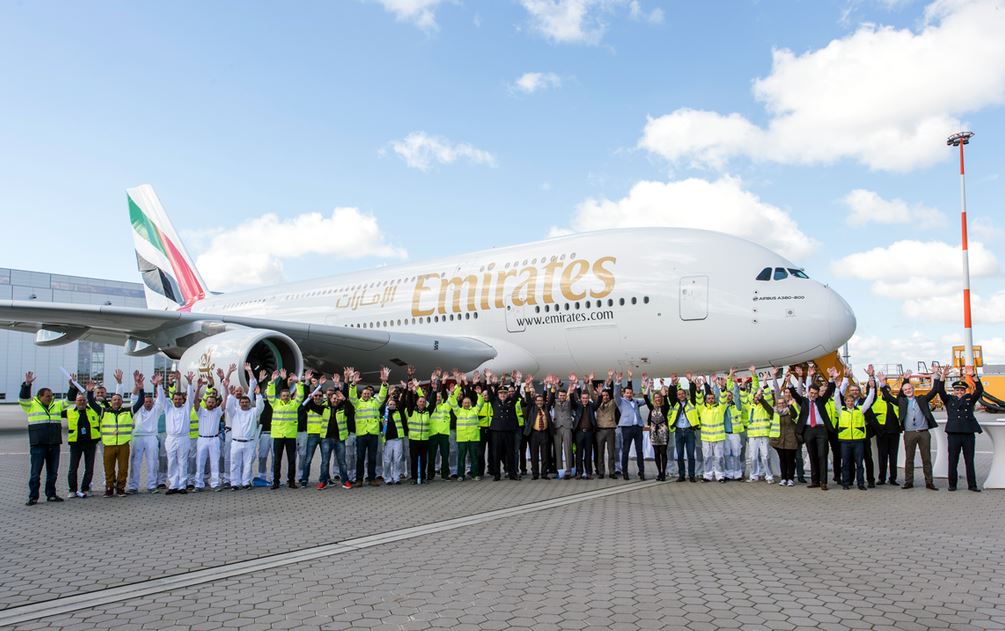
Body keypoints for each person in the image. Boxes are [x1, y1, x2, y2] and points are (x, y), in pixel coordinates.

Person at [19, 371, 74, 505]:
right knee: (35, 473)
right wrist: (27, 385)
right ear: (40, 396)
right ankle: (33, 496)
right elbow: (23, 398)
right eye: (47, 396)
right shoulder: (31, 405)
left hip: (54, 444)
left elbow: (69, 401)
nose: (50, 398)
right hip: (38, 444)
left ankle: (51, 494)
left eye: (51, 396)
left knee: (53, 472)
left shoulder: (57, 405)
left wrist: (72, 387)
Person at [880, 369, 940, 490]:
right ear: (903, 392)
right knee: (909, 459)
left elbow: (934, 391)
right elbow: (887, 396)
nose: (908, 391)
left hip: (923, 432)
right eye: (905, 390)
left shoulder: (922, 399)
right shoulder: (901, 402)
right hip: (909, 433)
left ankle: (929, 482)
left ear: (913, 389)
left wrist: (936, 376)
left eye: (910, 389)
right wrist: (882, 383)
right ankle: (909, 482)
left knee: (926, 458)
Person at [936, 365, 985, 492]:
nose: (959, 392)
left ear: (965, 391)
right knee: (952, 460)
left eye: (962, 390)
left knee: (969, 460)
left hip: (968, 433)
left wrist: (974, 376)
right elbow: (940, 390)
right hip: (953, 434)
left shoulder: (969, 399)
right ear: (953, 391)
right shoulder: (949, 399)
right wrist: (943, 376)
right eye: (957, 390)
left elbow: (979, 390)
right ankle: (952, 485)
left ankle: (972, 485)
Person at [789, 365, 837, 490]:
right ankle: (815, 481)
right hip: (808, 430)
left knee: (822, 455)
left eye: (815, 394)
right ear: (808, 392)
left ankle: (823, 482)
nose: (813, 395)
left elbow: (829, 390)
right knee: (812, 455)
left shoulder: (821, 401)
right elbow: (794, 394)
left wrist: (831, 377)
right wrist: (789, 382)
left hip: (821, 430)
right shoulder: (804, 401)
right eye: (811, 393)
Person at [834, 371, 876, 490]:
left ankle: (861, 483)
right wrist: (837, 389)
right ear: (845, 402)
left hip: (858, 440)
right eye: (848, 401)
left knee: (859, 464)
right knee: (846, 463)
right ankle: (846, 483)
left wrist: (872, 389)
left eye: (851, 401)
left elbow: (869, 400)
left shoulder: (860, 410)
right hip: (845, 441)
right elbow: (836, 399)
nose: (850, 403)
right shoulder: (841, 410)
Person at [349, 366, 389, 486]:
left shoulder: (375, 403)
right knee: (360, 458)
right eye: (364, 393)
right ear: (361, 394)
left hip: (372, 434)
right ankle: (359, 479)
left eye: (368, 393)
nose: (366, 394)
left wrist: (384, 383)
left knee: (372, 458)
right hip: (361, 434)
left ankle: (372, 479)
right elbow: (351, 396)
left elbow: (382, 396)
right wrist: (353, 384)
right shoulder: (357, 403)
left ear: (371, 394)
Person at [192, 368, 231, 492]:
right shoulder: (201, 411)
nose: (210, 403)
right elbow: (195, 402)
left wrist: (225, 388)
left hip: (214, 440)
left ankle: (215, 484)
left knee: (215, 462)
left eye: (212, 402)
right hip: (202, 439)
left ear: (215, 403)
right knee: (200, 462)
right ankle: (198, 484)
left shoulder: (217, 412)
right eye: (209, 402)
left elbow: (225, 402)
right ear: (206, 402)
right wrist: (198, 388)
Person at [127, 372, 165, 494]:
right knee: (135, 462)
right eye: (146, 401)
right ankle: (133, 486)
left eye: (150, 402)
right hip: (138, 437)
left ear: (153, 403)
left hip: (151, 437)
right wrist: (137, 385)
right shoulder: (137, 410)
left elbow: (161, 399)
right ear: (143, 402)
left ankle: (152, 485)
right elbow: (133, 397)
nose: (148, 403)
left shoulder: (156, 410)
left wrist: (158, 384)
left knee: (153, 461)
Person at [227, 364, 264, 490]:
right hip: (236, 442)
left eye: (246, 402)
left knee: (248, 464)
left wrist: (258, 395)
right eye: (242, 402)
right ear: (239, 403)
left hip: (249, 442)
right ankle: (234, 483)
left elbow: (260, 406)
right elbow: (228, 406)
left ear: (249, 402)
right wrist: (231, 395)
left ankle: (246, 482)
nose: (244, 403)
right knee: (234, 464)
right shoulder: (235, 412)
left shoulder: (253, 412)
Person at [63, 379, 101, 498]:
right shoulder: (69, 412)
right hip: (76, 444)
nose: (82, 402)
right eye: (79, 400)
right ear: (75, 401)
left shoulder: (94, 411)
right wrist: (71, 388)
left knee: (89, 467)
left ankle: (85, 488)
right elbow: (54, 412)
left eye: (84, 400)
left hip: (90, 443)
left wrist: (91, 392)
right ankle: (72, 489)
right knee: (73, 468)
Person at [269, 369, 304, 489]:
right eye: (283, 396)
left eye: (287, 396)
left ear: (290, 396)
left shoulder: (294, 404)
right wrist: (272, 382)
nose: (285, 397)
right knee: (277, 460)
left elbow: (301, 395)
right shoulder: (275, 403)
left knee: (291, 460)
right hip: (278, 435)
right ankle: (276, 482)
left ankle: (291, 481)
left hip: (290, 436)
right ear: (280, 396)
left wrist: (298, 382)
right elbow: (269, 394)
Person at [485, 371, 523, 481]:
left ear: (507, 394)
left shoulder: (511, 401)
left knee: (510, 453)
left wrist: (518, 382)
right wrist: (488, 379)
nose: (502, 395)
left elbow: (516, 393)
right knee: (496, 453)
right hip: (497, 431)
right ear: (498, 394)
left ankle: (512, 474)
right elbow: (489, 391)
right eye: (501, 393)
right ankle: (497, 474)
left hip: (509, 431)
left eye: (504, 393)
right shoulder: (494, 401)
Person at [98, 389, 135, 498]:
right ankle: (109, 488)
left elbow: (140, 402)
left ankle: (120, 488)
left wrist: (141, 389)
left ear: (122, 402)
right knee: (108, 468)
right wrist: (90, 393)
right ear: (111, 401)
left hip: (123, 444)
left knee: (123, 468)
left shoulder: (128, 411)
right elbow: (91, 403)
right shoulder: (104, 412)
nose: (116, 401)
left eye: (119, 399)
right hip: (109, 445)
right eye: (114, 399)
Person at [164, 372, 195, 494]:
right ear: (172, 400)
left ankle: (182, 485)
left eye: (179, 399)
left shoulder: (186, 408)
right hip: (171, 438)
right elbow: (161, 398)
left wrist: (190, 383)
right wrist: (159, 385)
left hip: (183, 438)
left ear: (183, 400)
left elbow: (191, 397)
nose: (177, 401)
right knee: (171, 461)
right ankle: (173, 485)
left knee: (183, 461)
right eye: (175, 399)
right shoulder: (168, 408)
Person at [868, 371, 901, 486]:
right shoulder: (876, 401)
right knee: (882, 457)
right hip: (882, 433)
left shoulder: (895, 402)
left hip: (894, 433)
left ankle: (893, 478)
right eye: (884, 390)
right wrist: (871, 377)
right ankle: (882, 478)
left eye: (888, 390)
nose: (886, 392)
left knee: (893, 456)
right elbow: (869, 392)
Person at [613, 370, 646, 481]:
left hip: (637, 428)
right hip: (626, 428)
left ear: (632, 393)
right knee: (625, 450)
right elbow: (615, 394)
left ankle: (641, 472)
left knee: (639, 451)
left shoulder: (636, 401)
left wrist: (645, 385)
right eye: (627, 393)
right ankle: (625, 472)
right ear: (624, 394)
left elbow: (647, 400)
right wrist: (618, 382)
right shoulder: (621, 401)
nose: (629, 394)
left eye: (630, 393)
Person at [765, 383, 798, 486]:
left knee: (790, 460)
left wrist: (791, 405)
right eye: (779, 403)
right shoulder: (775, 412)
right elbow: (766, 406)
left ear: (785, 403)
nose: (781, 405)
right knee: (782, 460)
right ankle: (784, 478)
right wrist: (760, 397)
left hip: (790, 440)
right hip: (779, 440)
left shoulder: (790, 411)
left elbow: (795, 415)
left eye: (783, 403)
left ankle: (790, 478)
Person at [745, 372, 776, 483]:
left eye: (759, 397)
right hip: (753, 436)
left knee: (765, 456)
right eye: (755, 397)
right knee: (752, 456)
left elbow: (768, 396)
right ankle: (754, 475)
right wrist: (754, 378)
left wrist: (764, 383)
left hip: (763, 435)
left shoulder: (765, 406)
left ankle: (769, 476)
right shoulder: (750, 406)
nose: (757, 398)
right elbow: (747, 395)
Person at [668, 375, 699, 482]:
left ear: (686, 395)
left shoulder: (691, 402)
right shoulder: (675, 404)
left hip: (689, 431)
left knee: (691, 455)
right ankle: (681, 475)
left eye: (682, 394)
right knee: (680, 455)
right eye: (679, 394)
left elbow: (694, 393)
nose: (681, 395)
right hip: (678, 432)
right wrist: (673, 384)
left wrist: (691, 382)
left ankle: (691, 475)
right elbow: (670, 395)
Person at [402, 374, 432, 484]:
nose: (422, 403)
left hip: (424, 439)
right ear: (417, 403)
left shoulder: (428, 412)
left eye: (423, 402)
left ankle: (423, 477)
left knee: (424, 460)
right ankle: (414, 478)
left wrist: (419, 389)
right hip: (414, 440)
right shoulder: (411, 412)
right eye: (420, 401)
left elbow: (431, 402)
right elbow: (409, 401)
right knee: (413, 460)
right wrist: (410, 389)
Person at [449, 383, 483, 480]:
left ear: (471, 403)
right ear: (462, 403)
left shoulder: (475, 410)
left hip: (473, 437)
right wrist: (452, 393)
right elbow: (452, 402)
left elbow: (481, 403)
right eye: (465, 402)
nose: (466, 404)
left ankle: (475, 474)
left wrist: (479, 395)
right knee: (461, 458)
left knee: (474, 457)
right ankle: (460, 475)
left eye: (468, 402)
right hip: (462, 438)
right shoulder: (458, 411)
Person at [642, 378, 671, 481]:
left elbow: (665, 396)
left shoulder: (665, 407)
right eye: (656, 397)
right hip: (654, 432)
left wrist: (663, 385)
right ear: (654, 399)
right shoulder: (652, 408)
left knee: (663, 453)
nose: (658, 399)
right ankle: (659, 472)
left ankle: (663, 473)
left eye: (659, 397)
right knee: (656, 454)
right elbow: (645, 396)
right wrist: (649, 386)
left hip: (663, 432)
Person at [426, 372, 453, 481]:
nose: (437, 398)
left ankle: (445, 475)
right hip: (432, 434)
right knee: (431, 457)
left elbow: (451, 398)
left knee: (445, 456)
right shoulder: (429, 407)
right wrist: (432, 383)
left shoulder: (446, 406)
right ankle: (430, 475)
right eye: (436, 396)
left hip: (443, 435)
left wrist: (444, 382)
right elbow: (425, 396)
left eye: (439, 396)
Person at [570, 373, 598, 480]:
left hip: (590, 433)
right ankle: (579, 473)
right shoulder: (578, 406)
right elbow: (573, 400)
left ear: (588, 398)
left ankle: (589, 473)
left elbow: (598, 402)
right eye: (583, 398)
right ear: (581, 398)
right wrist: (573, 388)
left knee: (588, 454)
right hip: (579, 433)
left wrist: (599, 394)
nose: (584, 400)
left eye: (586, 398)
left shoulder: (592, 406)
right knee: (579, 454)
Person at [522, 383, 552, 480]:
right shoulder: (532, 407)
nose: (539, 402)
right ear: (535, 401)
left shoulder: (546, 408)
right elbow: (528, 397)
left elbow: (551, 399)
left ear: (543, 401)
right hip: (534, 434)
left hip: (544, 433)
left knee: (545, 455)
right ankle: (535, 474)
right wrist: (527, 386)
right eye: (537, 400)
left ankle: (544, 474)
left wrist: (550, 387)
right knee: (534, 455)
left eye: (541, 400)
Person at [547, 376, 575, 479]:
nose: (562, 397)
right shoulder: (555, 402)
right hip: (557, 427)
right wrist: (553, 386)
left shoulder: (569, 402)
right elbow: (550, 398)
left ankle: (568, 471)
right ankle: (559, 471)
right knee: (557, 449)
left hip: (567, 427)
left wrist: (572, 388)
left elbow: (573, 397)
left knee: (568, 449)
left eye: (563, 395)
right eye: (560, 395)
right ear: (558, 396)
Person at [381, 387, 408, 485]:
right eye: (390, 404)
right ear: (387, 405)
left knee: (397, 459)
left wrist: (404, 389)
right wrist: (389, 395)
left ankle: (396, 477)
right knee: (387, 460)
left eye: (393, 404)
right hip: (388, 440)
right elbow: (382, 406)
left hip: (398, 439)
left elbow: (402, 401)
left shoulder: (398, 412)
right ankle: (387, 478)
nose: (392, 405)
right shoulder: (384, 413)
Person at [593, 372, 618, 479]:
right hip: (600, 431)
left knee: (611, 453)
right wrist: (590, 382)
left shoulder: (613, 403)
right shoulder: (597, 403)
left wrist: (610, 379)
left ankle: (612, 471)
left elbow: (614, 393)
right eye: (603, 395)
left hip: (610, 430)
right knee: (600, 453)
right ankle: (601, 472)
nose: (605, 397)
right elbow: (591, 393)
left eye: (607, 395)